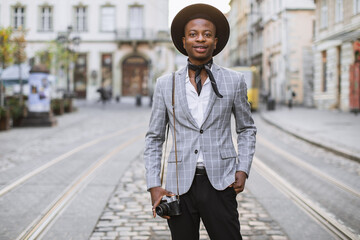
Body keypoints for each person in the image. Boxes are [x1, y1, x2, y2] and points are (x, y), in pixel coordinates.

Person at [144, 4, 257, 240]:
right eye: (193, 34)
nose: (200, 39)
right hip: (178, 186)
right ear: (183, 41)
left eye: (207, 34)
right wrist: (154, 184)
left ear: (216, 41)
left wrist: (243, 168)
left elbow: (246, 128)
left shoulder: (235, 81)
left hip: (221, 183)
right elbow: (155, 138)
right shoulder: (166, 84)